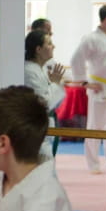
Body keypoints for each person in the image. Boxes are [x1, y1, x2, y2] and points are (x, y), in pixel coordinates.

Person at [70, 5, 106, 174]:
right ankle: (93, 164)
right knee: (96, 126)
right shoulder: (91, 38)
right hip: (99, 87)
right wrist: (84, 83)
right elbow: (76, 60)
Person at [24, 29, 66, 158]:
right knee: (42, 166)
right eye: (49, 43)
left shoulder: (41, 68)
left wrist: (55, 83)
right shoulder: (29, 71)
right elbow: (45, 103)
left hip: (45, 124)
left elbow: (55, 100)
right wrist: (55, 84)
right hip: (34, 126)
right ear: (38, 49)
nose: (53, 46)